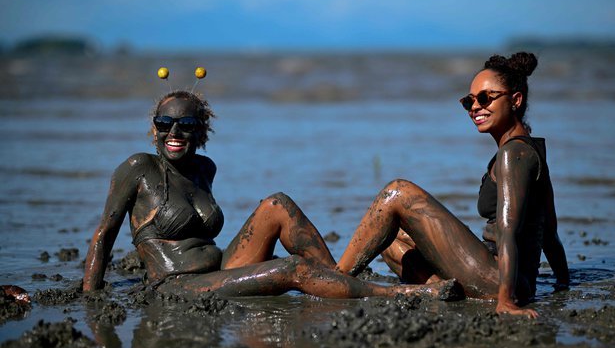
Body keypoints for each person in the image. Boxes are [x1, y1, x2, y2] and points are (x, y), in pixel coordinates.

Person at [83, 90, 452, 299]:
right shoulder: (138, 167)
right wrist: (91, 298)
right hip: (176, 286)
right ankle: (400, 296)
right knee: (291, 268)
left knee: (277, 203)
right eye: (165, 123)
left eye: (186, 124)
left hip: (222, 268)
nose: (174, 131)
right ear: (155, 128)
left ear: (201, 131)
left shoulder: (203, 169)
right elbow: (104, 235)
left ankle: (336, 280)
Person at [335, 52, 570, 318]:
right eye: (469, 101)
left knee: (398, 192)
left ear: (515, 100)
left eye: (485, 98)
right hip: (508, 280)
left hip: (499, 280)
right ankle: (440, 289)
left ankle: (335, 278)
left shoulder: (512, 154)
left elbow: (508, 231)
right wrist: (563, 282)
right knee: (390, 238)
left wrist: (507, 301)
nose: (475, 107)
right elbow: (550, 231)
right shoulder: (530, 151)